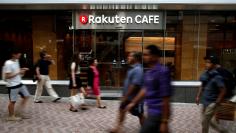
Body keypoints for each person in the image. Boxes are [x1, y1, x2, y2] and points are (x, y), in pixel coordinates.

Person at [126, 45, 172, 133]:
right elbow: (145, 89)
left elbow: (166, 98)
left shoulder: (163, 72)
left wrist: (164, 122)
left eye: (146, 55)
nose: (144, 57)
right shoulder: (149, 72)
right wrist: (133, 103)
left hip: (158, 114)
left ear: (154, 57)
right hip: (151, 112)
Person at [110, 52, 145, 133]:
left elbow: (135, 85)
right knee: (121, 109)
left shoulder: (138, 69)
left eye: (130, 56)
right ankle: (118, 129)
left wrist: (125, 96)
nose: (128, 57)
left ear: (135, 58)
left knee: (140, 115)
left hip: (135, 99)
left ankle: (148, 129)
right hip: (128, 98)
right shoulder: (132, 68)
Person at [196, 55, 228, 133]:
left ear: (214, 65)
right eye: (206, 62)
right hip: (205, 101)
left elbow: (223, 90)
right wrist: (198, 96)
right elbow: (202, 85)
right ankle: (222, 130)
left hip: (212, 103)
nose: (206, 64)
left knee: (204, 121)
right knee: (208, 121)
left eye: (209, 62)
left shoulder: (217, 77)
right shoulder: (205, 74)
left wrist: (217, 102)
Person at [2, 48, 30, 121]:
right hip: (12, 85)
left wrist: (22, 69)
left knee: (26, 96)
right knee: (13, 101)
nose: (20, 55)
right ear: (13, 54)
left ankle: (18, 112)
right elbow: (7, 76)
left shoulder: (17, 60)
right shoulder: (8, 63)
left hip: (19, 83)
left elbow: (17, 70)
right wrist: (18, 72)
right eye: (18, 54)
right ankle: (11, 116)